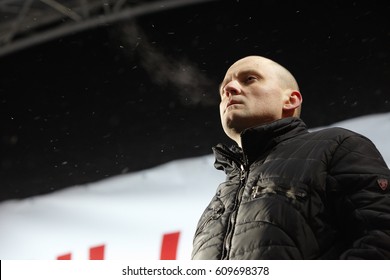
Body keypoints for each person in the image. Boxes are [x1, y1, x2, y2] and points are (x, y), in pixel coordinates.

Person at [191, 55, 390, 259]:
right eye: (223, 89)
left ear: (291, 100)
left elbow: (381, 239)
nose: (229, 89)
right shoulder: (221, 196)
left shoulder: (338, 145)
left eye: (249, 79)